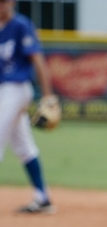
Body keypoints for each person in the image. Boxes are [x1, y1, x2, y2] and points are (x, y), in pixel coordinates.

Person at [0, 0, 57, 214]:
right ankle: (42, 198)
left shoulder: (20, 25)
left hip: (16, 89)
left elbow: (38, 61)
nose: (1, 5)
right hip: (2, 91)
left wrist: (48, 97)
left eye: (5, 1)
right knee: (23, 146)